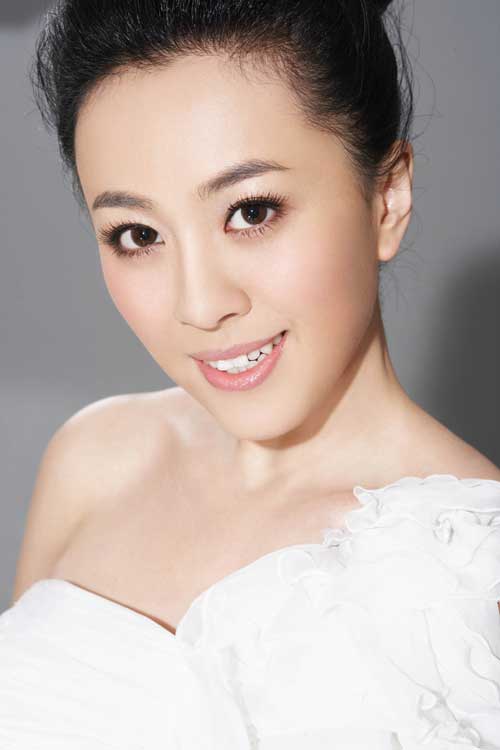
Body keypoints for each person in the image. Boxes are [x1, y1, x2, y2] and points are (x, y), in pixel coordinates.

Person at [1, 0, 499, 747]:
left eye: (252, 212)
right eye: (137, 234)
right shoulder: (94, 459)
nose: (200, 305)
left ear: (387, 198)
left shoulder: (475, 580)